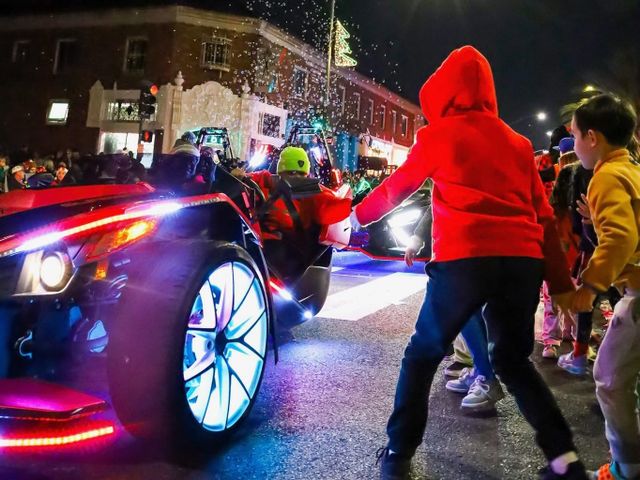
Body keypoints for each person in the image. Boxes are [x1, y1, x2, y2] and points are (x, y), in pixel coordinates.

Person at [350, 46, 584, 480]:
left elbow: (397, 188)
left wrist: (353, 218)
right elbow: (544, 216)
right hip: (521, 261)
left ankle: (398, 455)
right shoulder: (517, 143)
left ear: (443, 91)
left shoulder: (439, 135)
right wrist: (562, 282)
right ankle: (565, 459)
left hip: (464, 259)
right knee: (514, 362)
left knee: (423, 354)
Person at [568, 94, 640, 480]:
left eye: (576, 134)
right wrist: (596, 226)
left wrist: (590, 286)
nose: (575, 143)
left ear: (592, 137)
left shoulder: (607, 176)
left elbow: (620, 240)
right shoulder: (631, 171)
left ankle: (628, 469)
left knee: (610, 380)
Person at [405, 204, 503, 412]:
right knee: (470, 312)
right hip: (463, 249)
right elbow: (439, 202)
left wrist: (361, 214)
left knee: (463, 312)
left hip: (471, 248)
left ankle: (486, 376)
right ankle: (482, 372)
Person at [236, 146, 351, 281]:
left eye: (301, 174)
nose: (297, 178)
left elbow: (337, 204)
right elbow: (243, 179)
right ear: (281, 173)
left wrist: (355, 205)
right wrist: (237, 175)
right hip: (255, 246)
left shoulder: (314, 193)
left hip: (287, 253)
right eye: (291, 173)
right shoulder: (264, 181)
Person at [541, 138, 581, 359]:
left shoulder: (579, 205)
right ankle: (556, 338)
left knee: (557, 301)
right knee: (558, 301)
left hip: (569, 260)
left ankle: (563, 336)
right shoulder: (556, 206)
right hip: (563, 261)